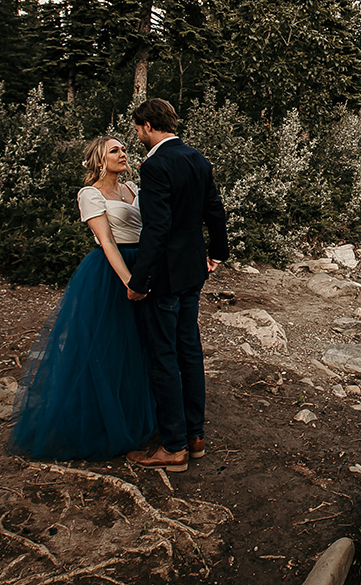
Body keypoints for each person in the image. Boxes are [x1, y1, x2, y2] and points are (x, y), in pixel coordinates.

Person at [6, 137, 157, 460]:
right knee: (105, 344)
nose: (123, 153)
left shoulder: (134, 189)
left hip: (142, 267)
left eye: (123, 149)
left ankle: (134, 416)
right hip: (110, 272)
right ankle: (98, 423)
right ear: (99, 160)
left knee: (140, 344)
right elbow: (106, 241)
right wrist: (130, 281)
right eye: (114, 150)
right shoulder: (89, 194)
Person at [124, 98, 229, 472]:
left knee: (164, 357)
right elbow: (214, 209)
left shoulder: (155, 165)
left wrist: (139, 280)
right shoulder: (197, 158)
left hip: (165, 276)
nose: (137, 135)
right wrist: (217, 253)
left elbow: (157, 228)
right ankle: (195, 437)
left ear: (150, 125)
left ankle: (172, 447)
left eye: (138, 129)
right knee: (190, 351)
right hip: (193, 272)